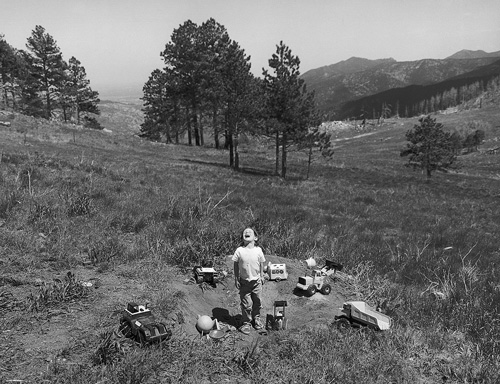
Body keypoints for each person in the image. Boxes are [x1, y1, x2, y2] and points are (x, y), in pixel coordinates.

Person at [232, 227, 266, 335]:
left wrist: (261, 275)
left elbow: (261, 263)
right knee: (246, 303)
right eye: (245, 232)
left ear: (255, 237)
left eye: (250, 232)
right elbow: (236, 264)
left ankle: (256, 319)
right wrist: (236, 278)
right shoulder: (239, 250)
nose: (247, 232)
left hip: (256, 282)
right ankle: (246, 322)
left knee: (257, 301)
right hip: (244, 282)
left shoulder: (258, 250)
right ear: (242, 237)